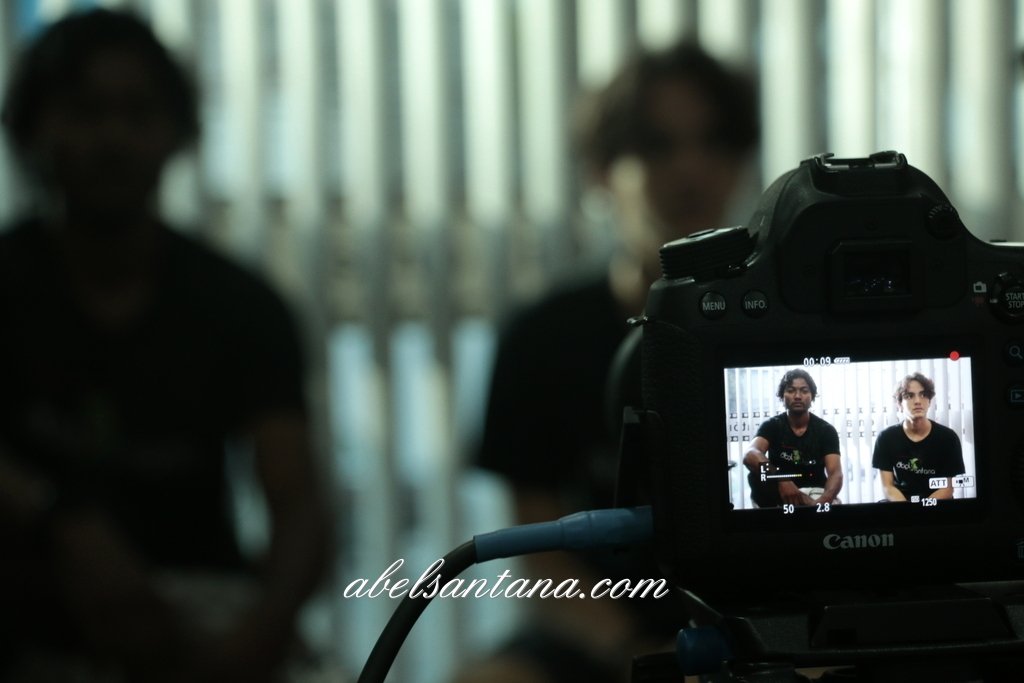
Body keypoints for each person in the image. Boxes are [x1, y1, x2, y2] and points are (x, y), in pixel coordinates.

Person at [0, 9, 330, 682]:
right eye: (85, 111)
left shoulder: (239, 305)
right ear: (34, 128)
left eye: (138, 112)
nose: (112, 137)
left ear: (177, 134)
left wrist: (254, 641)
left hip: (195, 622)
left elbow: (298, 506)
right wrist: (62, 521)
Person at [463, 41, 759, 683]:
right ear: (602, 170)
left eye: (714, 142)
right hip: (604, 641)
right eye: (658, 145)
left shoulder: (784, 327)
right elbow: (541, 554)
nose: (690, 169)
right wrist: (633, 654)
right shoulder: (542, 337)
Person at [742, 369, 843, 508]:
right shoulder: (772, 425)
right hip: (779, 493)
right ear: (782, 396)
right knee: (756, 475)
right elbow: (750, 454)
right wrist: (781, 478)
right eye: (790, 390)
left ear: (812, 396)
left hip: (815, 492)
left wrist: (821, 503)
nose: (797, 396)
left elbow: (835, 473)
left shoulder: (825, 430)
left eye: (804, 391)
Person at [872, 373, 965, 502]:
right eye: (909, 396)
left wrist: (924, 507)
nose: (917, 401)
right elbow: (888, 486)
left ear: (929, 401)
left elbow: (948, 488)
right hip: (900, 503)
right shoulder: (886, 438)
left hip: (937, 503)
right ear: (899, 404)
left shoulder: (948, 438)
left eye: (923, 395)